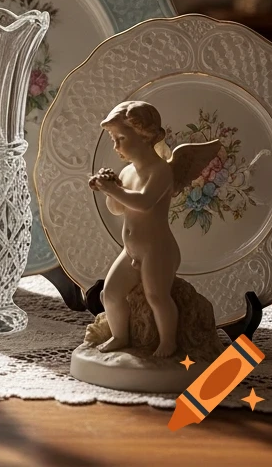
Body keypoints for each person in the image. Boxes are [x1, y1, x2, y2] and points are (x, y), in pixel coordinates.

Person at [89, 101, 219, 358]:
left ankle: (168, 342)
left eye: (120, 138)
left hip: (157, 251)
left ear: (144, 136)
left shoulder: (160, 171)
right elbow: (117, 208)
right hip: (131, 250)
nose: (115, 146)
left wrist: (113, 189)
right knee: (111, 292)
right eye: (114, 140)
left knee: (156, 296)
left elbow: (144, 202)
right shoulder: (128, 172)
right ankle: (120, 336)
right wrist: (110, 189)